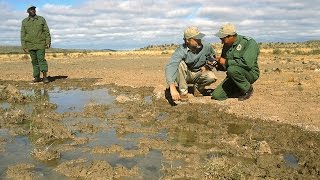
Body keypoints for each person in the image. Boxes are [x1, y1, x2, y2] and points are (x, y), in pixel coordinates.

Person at [165, 26, 217, 102]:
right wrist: (172, 87)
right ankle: (183, 92)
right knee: (179, 64)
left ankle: (198, 89)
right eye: (196, 39)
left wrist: (209, 65)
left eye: (199, 38)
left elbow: (213, 58)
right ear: (187, 40)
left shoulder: (207, 46)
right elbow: (171, 66)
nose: (199, 40)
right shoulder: (181, 50)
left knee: (211, 77)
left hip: (199, 73)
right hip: (186, 75)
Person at [211, 23, 260, 101]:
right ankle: (238, 88)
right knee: (217, 95)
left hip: (249, 74)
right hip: (233, 75)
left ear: (231, 36)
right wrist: (218, 64)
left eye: (222, 38)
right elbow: (225, 66)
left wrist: (226, 62)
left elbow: (247, 64)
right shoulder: (226, 45)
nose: (221, 42)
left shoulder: (249, 43)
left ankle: (248, 89)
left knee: (232, 69)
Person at [21, 5, 51, 83]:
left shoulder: (41, 19)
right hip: (30, 45)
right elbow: (23, 33)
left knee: (41, 60)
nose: (33, 10)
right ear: (28, 11)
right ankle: (37, 77)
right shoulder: (24, 21)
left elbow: (46, 31)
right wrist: (23, 45)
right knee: (34, 61)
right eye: (31, 9)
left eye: (34, 9)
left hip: (40, 43)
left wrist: (48, 41)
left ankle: (45, 77)